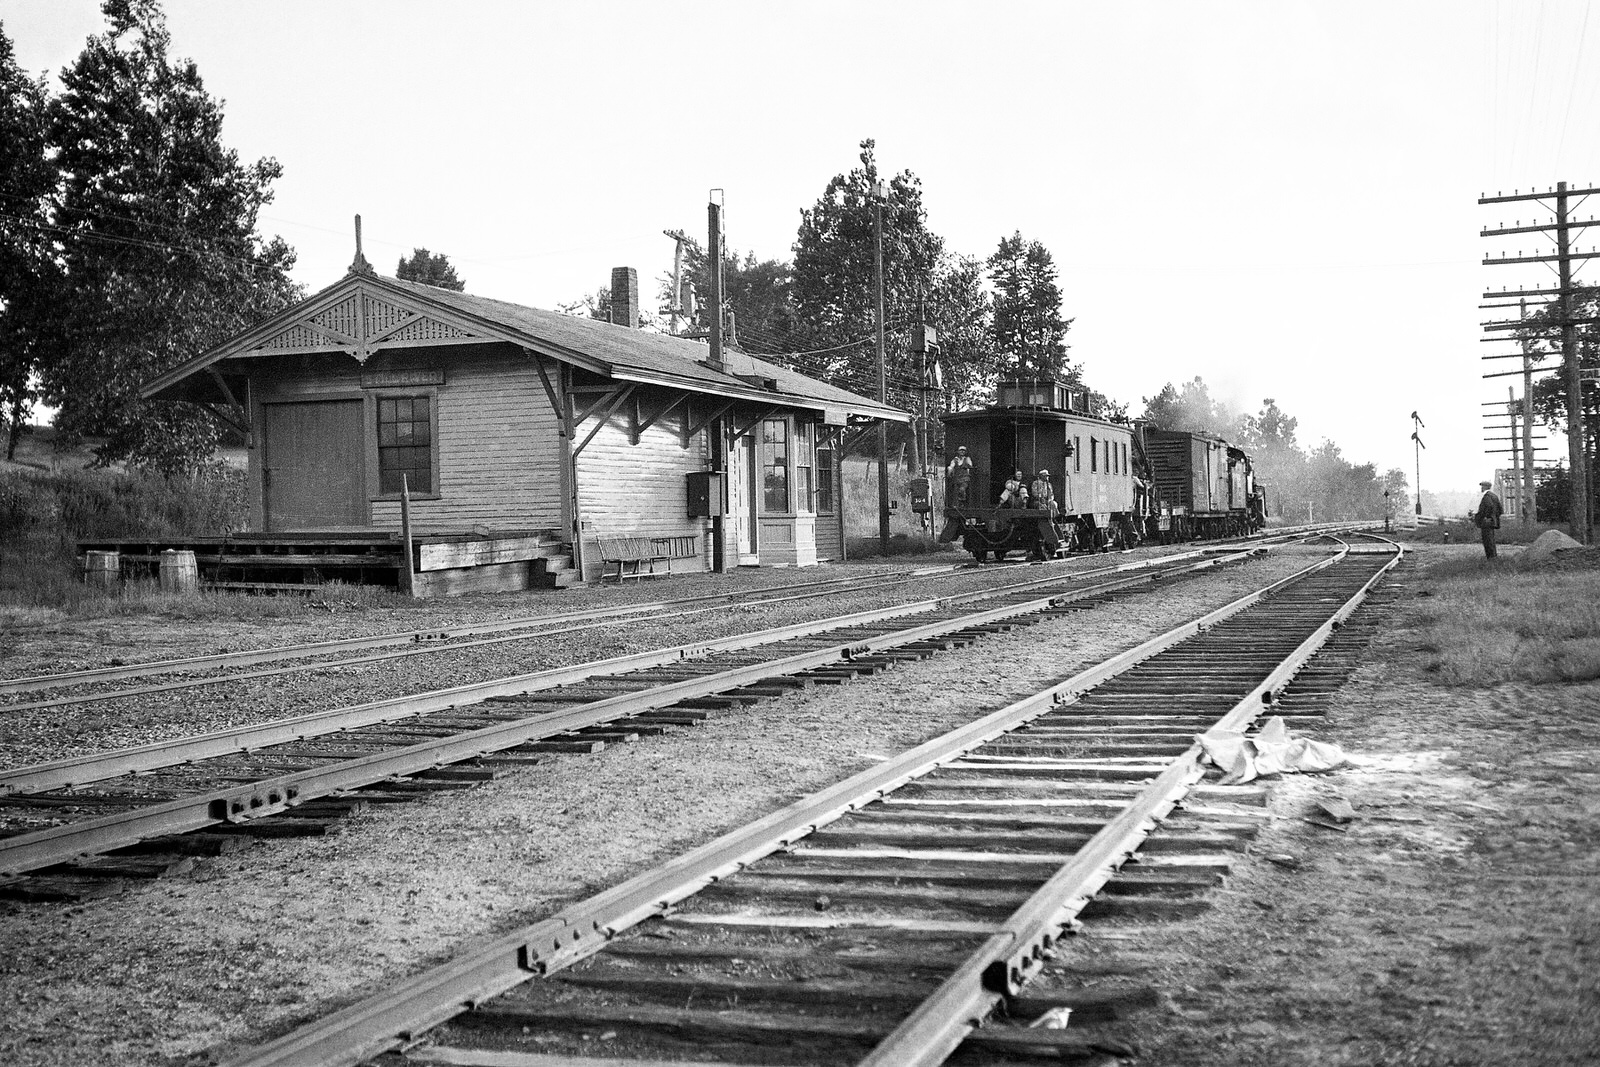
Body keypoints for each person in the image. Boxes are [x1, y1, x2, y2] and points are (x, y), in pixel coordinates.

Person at [1473, 479, 1503, 559]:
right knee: (1491, 541)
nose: (1481, 488)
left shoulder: (1487, 497)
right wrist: (1494, 518)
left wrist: (1485, 517)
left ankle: (1490, 558)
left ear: (1485, 487)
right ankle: (1493, 557)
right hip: (1492, 522)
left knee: (1487, 541)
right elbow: (1500, 510)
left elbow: (1488, 507)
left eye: (1482, 486)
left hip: (1486, 522)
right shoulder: (1494, 496)